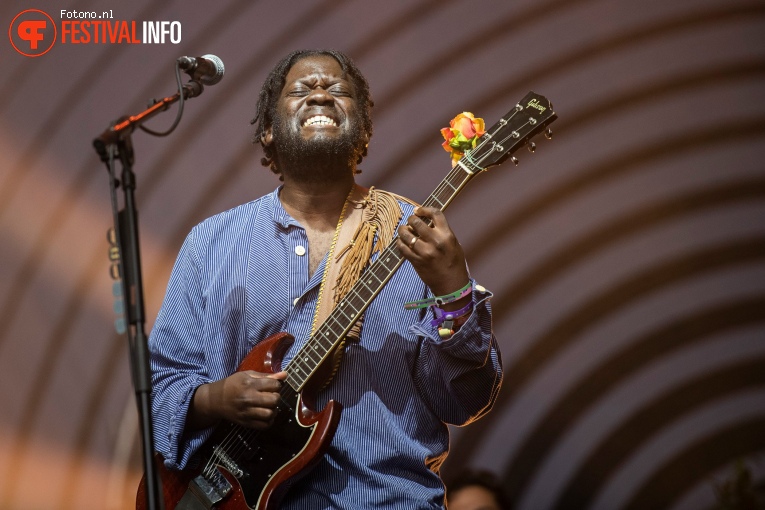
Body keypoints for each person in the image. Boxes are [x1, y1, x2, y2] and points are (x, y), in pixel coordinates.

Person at [148, 48, 503, 508]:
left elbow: (467, 401)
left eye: (338, 90)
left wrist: (453, 293)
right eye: (300, 90)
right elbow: (158, 391)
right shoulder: (211, 243)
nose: (320, 95)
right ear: (270, 129)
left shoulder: (417, 237)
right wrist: (215, 399)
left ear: (364, 130)